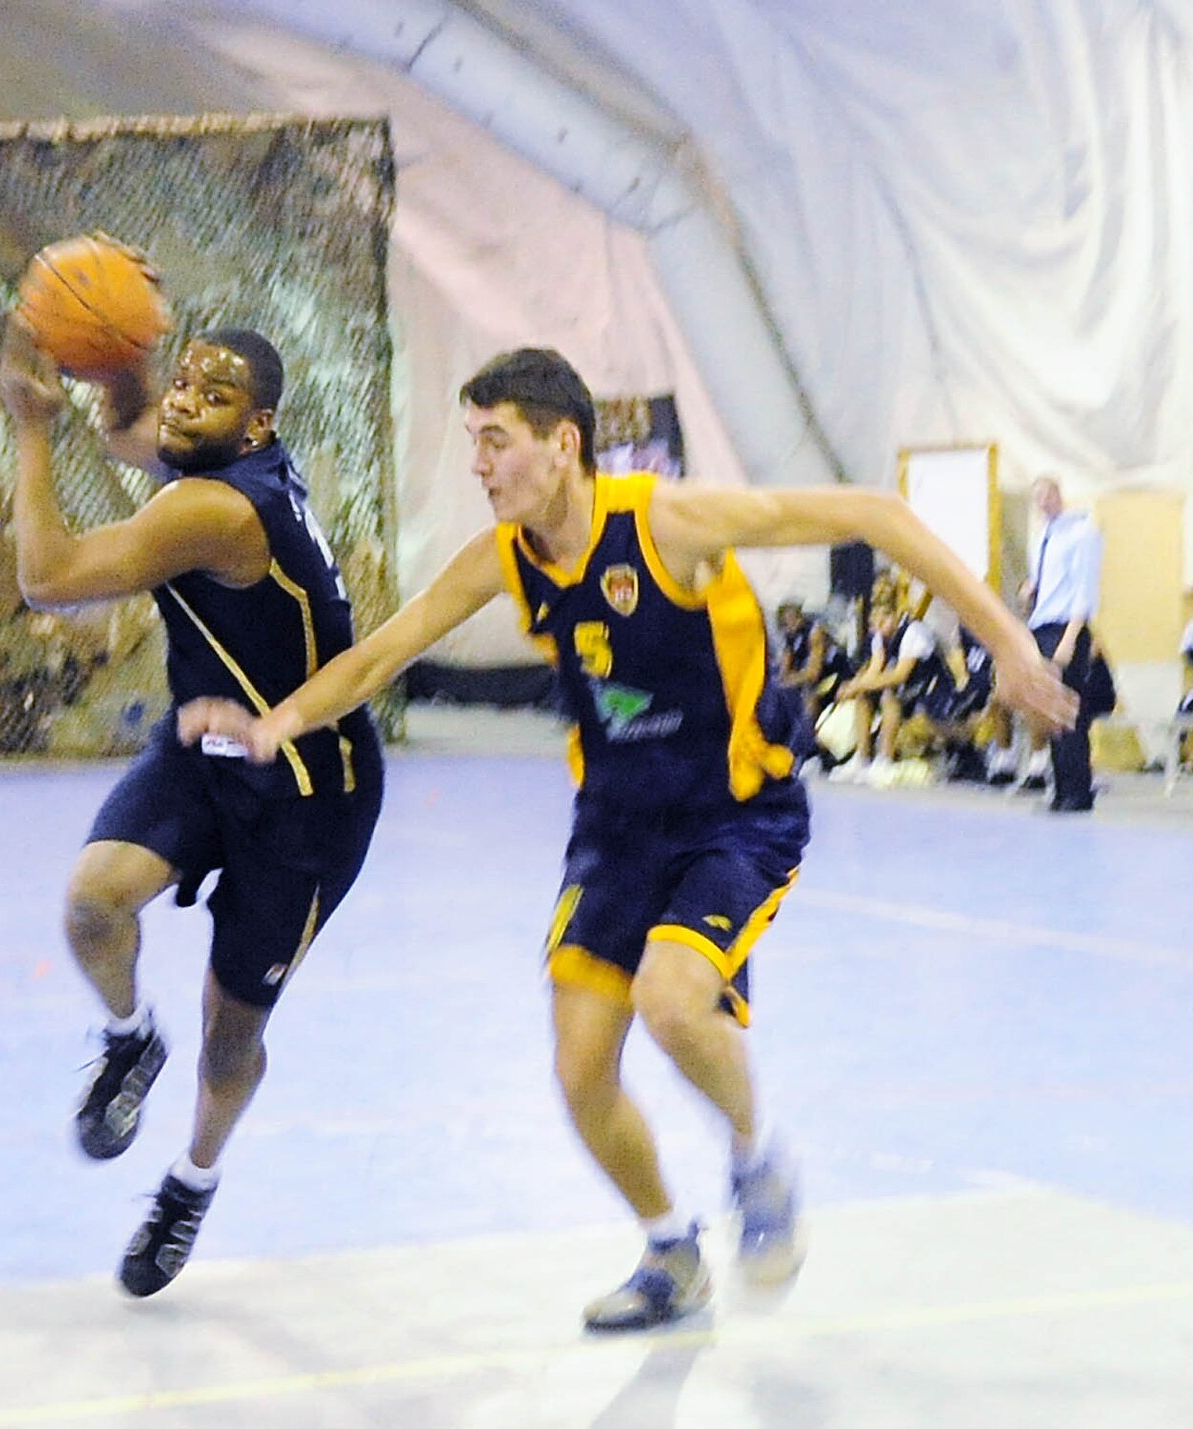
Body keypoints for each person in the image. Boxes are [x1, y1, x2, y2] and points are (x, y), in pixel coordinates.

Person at [180, 347, 1077, 1332]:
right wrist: (274, 724)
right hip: (612, 828)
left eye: (494, 442)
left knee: (671, 998)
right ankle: (668, 1248)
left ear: (560, 445)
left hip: (733, 816)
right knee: (577, 1068)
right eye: (470, 443)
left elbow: (876, 514)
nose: (476, 466)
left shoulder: (665, 521)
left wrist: (1004, 639)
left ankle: (755, 1157)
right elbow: (380, 655)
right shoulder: (503, 560)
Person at [0, 321, 384, 1297]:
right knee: (92, 903)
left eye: (209, 395)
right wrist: (105, 340)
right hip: (211, 742)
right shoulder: (217, 461)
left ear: (255, 428)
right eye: (183, 381)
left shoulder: (220, 510)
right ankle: (131, 1039)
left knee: (230, 1031)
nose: (181, 400)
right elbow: (131, 425)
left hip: (306, 791)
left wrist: (30, 427)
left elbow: (46, 579)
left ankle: (190, 1180)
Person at [1019, 475, 1103, 812]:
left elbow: (1084, 590)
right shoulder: (1044, 536)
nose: (1043, 503)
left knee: (1069, 708)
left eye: (1048, 495)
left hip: (1065, 628)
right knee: (1051, 708)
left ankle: (1079, 791)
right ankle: (1060, 786)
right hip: (1042, 624)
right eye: (1037, 498)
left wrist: (1070, 637)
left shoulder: (1082, 533)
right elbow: (1048, 582)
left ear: (1059, 495)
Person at [827, 584, 947, 784]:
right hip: (905, 687)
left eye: (883, 621)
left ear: (895, 615)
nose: (878, 628)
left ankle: (885, 759)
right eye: (875, 624)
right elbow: (875, 669)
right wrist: (855, 685)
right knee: (864, 695)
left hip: (929, 688)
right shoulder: (879, 637)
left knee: (889, 696)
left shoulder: (913, 631)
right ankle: (861, 758)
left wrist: (861, 684)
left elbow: (900, 674)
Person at [773, 600, 851, 729]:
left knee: (810, 695)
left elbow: (813, 673)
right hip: (813, 677)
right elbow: (784, 668)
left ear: (799, 616)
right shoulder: (791, 636)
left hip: (835, 674)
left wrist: (789, 681)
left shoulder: (815, 632)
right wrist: (782, 682)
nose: (790, 624)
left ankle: (808, 736)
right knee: (778, 692)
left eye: (793, 618)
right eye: (785, 624)